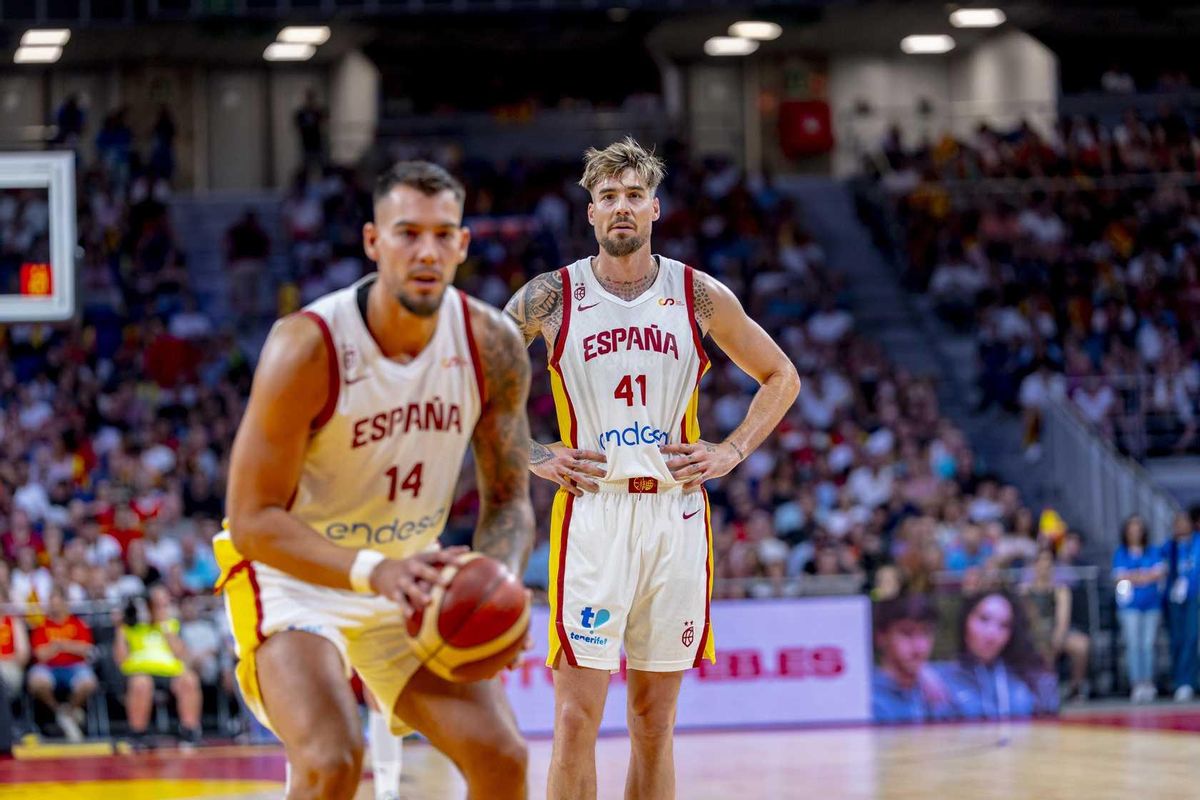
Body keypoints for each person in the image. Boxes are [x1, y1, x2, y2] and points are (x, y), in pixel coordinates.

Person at [218, 160, 534, 800]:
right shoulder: (307, 347)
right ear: (373, 241)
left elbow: (509, 502)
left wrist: (497, 582)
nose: (427, 252)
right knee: (333, 760)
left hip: (411, 579)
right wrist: (374, 571)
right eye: (408, 233)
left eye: (442, 235)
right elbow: (251, 521)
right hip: (296, 578)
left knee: (501, 756)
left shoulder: (492, 344)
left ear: (463, 245)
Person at [504, 138, 800, 800]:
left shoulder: (698, 294)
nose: (622, 207)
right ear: (590, 211)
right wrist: (531, 453)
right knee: (574, 722)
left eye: (634, 195)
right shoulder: (551, 296)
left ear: (655, 208)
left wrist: (730, 451)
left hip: (675, 514)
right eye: (608, 196)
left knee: (653, 723)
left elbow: (781, 375)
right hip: (594, 513)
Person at [939, 590, 1058, 719]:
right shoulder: (938, 678)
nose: (992, 634)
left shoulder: (1029, 677)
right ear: (965, 620)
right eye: (984, 619)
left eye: (1004, 625)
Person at [114, 585, 203, 746]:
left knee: (189, 679)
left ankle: (190, 730)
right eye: (156, 605)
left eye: (164, 605)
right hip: (140, 672)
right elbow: (121, 660)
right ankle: (137, 733)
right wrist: (120, 628)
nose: (160, 609)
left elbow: (182, 655)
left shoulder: (172, 625)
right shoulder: (132, 626)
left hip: (170, 672)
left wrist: (164, 626)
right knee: (141, 683)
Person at [26, 586, 98, 741]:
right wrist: (69, 647)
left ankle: (69, 711)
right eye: (52, 604)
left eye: (58, 604)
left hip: (75, 667)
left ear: (65, 604)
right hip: (48, 667)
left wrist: (60, 645)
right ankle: (61, 712)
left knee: (88, 682)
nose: (55, 608)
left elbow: (86, 650)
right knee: (37, 682)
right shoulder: (42, 625)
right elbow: (40, 654)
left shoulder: (77, 623)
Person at [872, 594, 954, 722]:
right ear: (881, 636)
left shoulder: (944, 682)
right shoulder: (868, 697)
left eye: (926, 632)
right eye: (907, 633)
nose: (919, 647)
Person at [1021, 548, 1089, 701]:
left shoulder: (1061, 590)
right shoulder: (1024, 591)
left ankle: (1075, 689)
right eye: (1041, 561)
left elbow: (1062, 619)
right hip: (1034, 634)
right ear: (1034, 565)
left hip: (1056, 632)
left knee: (1081, 646)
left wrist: (1057, 638)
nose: (1045, 565)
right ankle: (1037, 691)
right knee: (1038, 647)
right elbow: (1025, 621)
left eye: (1048, 561)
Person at [1112, 515, 1165, 702]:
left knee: (1148, 644)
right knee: (1133, 644)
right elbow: (1119, 577)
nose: (1135, 533)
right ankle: (1136, 683)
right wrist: (1144, 576)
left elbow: (1159, 573)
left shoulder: (1152, 551)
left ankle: (1148, 682)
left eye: (1138, 529)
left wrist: (1133, 576)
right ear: (1126, 532)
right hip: (1129, 606)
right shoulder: (1121, 552)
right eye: (1131, 529)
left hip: (1151, 604)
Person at [1161, 510, 1199, 701]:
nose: (1180, 525)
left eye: (1184, 521)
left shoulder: (1197, 543)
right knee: (1176, 639)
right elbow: (1160, 567)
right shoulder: (1169, 546)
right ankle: (1178, 680)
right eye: (1177, 522)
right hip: (1173, 598)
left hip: (1193, 597)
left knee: (1191, 638)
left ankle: (1187, 682)